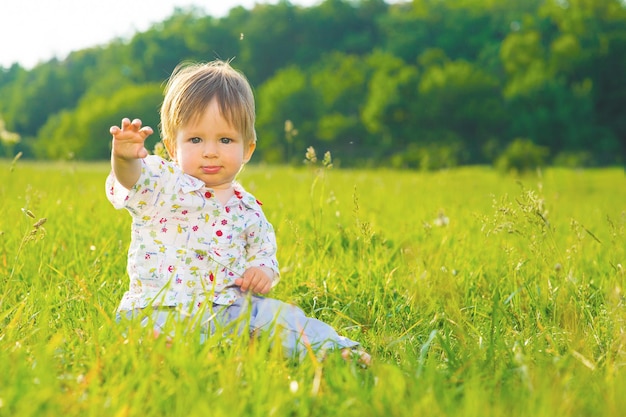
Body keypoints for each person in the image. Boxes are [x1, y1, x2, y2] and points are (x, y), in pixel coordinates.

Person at [106, 59, 370, 366]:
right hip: (163, 306)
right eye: (195, 139)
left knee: (275, 316)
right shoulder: (162, 182)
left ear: (247, 149)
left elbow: (263, 253)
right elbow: (131, 179)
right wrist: (124, 158)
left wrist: (262, 273)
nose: (210, 151)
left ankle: (333, 350)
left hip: (231, 307)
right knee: (162, 333)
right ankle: (176, 351)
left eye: (225, 140)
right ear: (171, 146)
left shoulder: (249, 209)